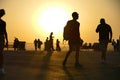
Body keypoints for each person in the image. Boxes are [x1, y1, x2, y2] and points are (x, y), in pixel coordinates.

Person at [0, 9, 8, 75]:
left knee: (0, 53)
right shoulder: (3, 22)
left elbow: (5, 32)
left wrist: (7, 40)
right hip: (1, 38)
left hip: (1, 38)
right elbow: (5, 32)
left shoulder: (3, 22)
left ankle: (1, 68)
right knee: (0, 54)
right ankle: (1, 69)